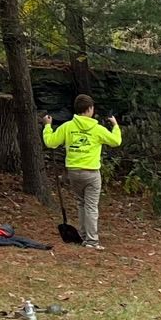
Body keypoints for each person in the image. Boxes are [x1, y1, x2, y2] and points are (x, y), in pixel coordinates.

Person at [42, 97, 122, 250]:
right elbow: (115, 141)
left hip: (73, 172)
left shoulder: (68, 127)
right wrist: (115, 125)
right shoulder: (97, 129)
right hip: (91, 172)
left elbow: (50, 142)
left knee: (81, 203)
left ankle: (84, 235)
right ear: (90, 109)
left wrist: (47, 126)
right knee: (91, 206)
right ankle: (92, 241)